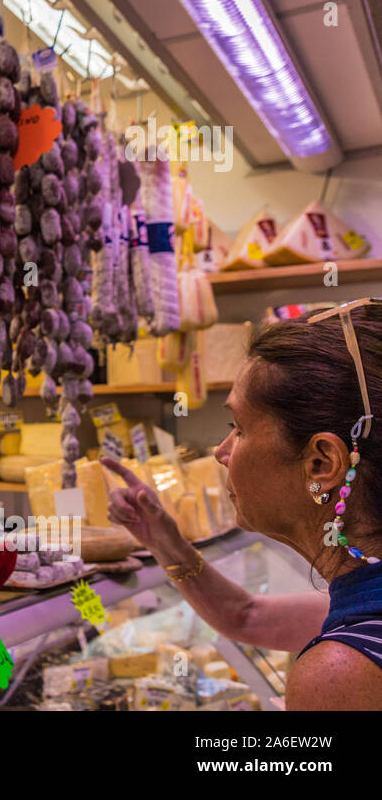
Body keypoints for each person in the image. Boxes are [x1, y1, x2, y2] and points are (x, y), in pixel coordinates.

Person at [103, 298, 382, 710]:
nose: (221, 450)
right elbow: (244, 616)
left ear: (322, 462)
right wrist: (164, 541)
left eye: (238, 428)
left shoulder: (341, 671)